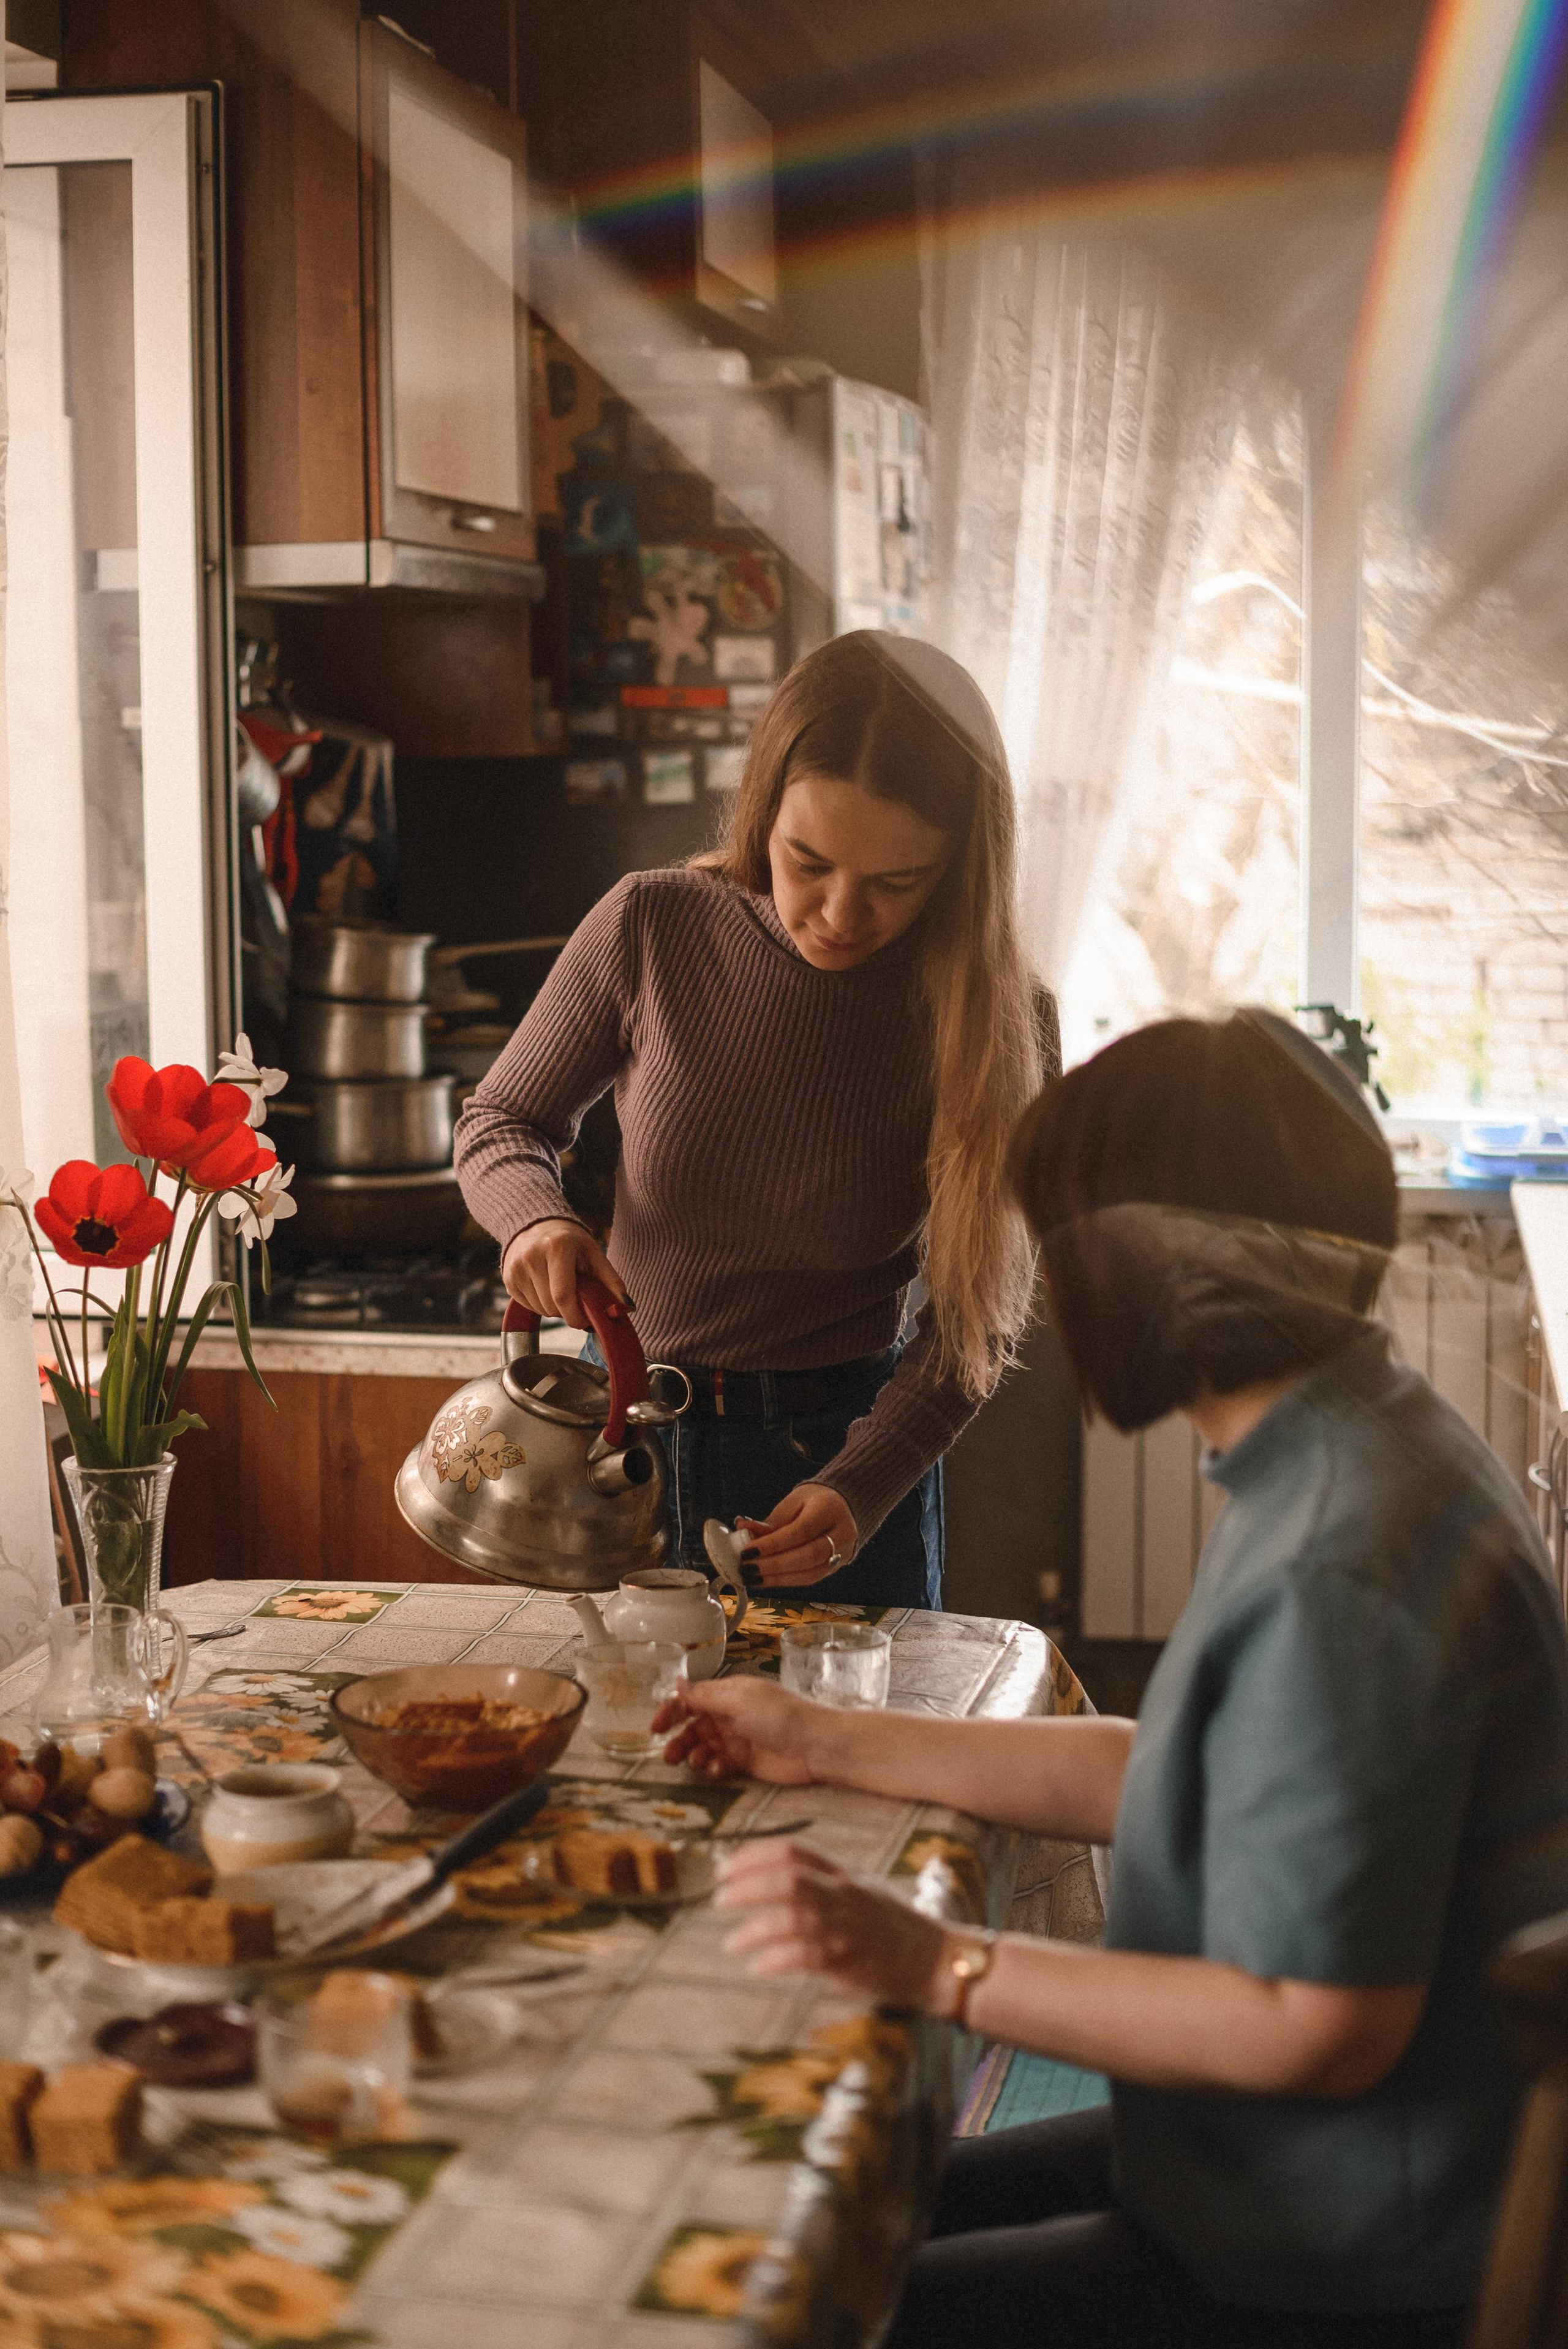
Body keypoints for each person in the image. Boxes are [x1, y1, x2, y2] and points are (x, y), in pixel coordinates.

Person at [658, 1009, 1568, 2346]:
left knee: (782, 2308)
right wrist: (820, 1736)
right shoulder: (1346, 1439)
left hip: (1336, 2254)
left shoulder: (1337, 1558)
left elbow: (1315, 2028)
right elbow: (1185, 1768)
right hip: (1262, 2169)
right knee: (806, 2221)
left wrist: (933, 1959)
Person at [454, 632, 1049, 1609]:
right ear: (764, 806)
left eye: (897, 882)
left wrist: (860, 1487)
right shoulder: (652, 926)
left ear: (958, 868)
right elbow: (502, 1119)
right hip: (619, 1441)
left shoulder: (1001, 1024)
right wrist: (536, 1217)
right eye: (807, 861)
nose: (840, 913)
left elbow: (971, 1330)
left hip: (837, 1475)